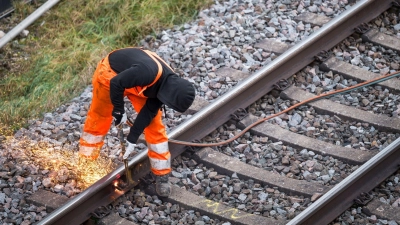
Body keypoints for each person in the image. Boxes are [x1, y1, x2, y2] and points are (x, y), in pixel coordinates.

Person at [78, 47, 196, 197]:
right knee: (99, 119)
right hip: (111, 75)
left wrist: (132, 139)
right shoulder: (147, 73)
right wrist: (119, 111)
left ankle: (162, 175)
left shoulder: (168, 87)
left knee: (155, 127)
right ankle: (86, 162)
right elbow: (116, 83)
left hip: (139, 82)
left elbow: (147, 114)